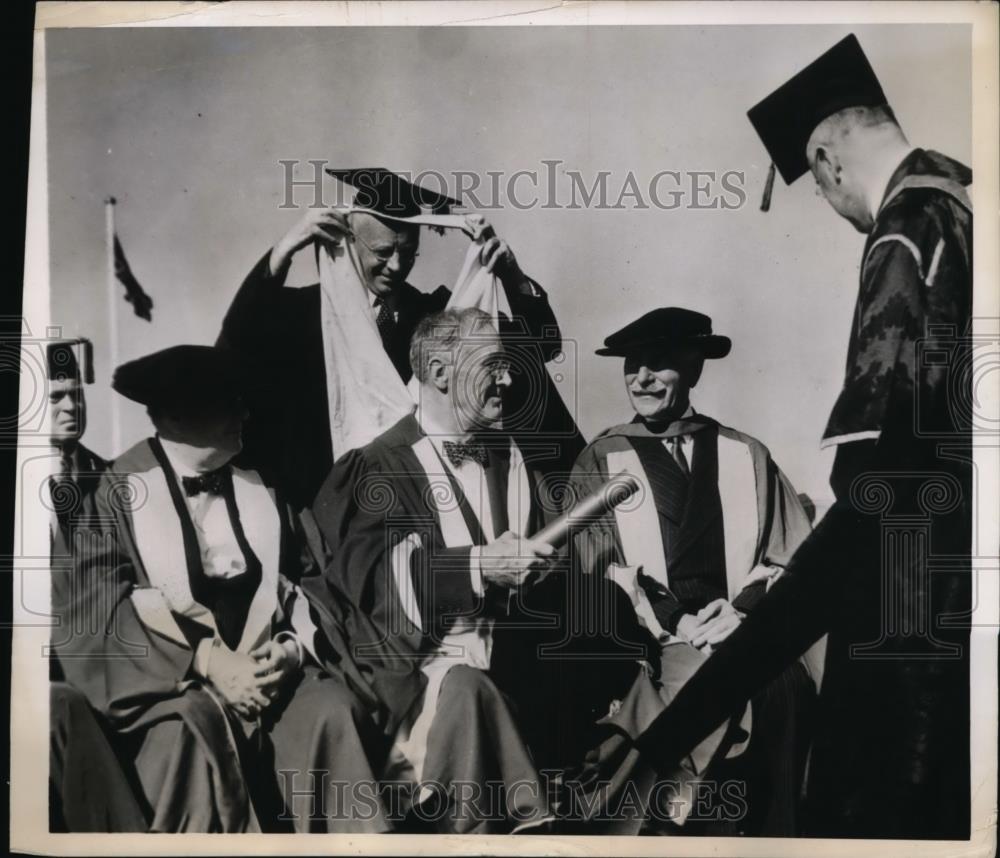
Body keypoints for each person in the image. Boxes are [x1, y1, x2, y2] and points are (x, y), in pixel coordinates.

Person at [634, 34, 972, 839]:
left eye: (820, 190)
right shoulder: (966, 205)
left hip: (906, 604)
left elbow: (875, 486)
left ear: (823, 162)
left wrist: (681, 725)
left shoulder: (901, 234)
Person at [306, 308, 658, 833]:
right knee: (476, 692)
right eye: (494, 364)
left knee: (616, 639)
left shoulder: (513, 457)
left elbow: (552, 567)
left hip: (519, 658)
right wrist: (477, 566)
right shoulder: (377, 467)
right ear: (442, 373)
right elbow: (368, 584)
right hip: (427, 671)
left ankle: (632, 819)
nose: (509, 379)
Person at [53, 345, 392, 833]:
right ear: (175, 415)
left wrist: (291, 651)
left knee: (331, 708)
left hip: (268, 681)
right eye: (229, 402)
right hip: (173, 688)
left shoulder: (264, 486)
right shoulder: (111, 493)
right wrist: (210, 664)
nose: (246, 413)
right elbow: (98, 613)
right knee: (195, 726)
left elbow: (314, 581)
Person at [570, 308, 818, 835]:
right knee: (702, 689)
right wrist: (676, 622)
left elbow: (790, 555)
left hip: (744, 628)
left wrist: (744, 613)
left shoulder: (746, 453)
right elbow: (595, 567)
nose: (641, 378)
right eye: (633, 365)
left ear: (694, 368)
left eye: (658, 364)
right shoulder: (601, 458)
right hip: (648, 639)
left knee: (789, 686)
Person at [218, 168, 583, 510]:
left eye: (407, 253)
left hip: (424, 503)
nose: (396, 266)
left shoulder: (437, 316)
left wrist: (512, 276)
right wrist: (285, 249)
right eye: (382, 252)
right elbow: (238, 339)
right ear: (348, 239)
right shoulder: (303, 313)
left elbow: (541, 346)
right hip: (322, 500)